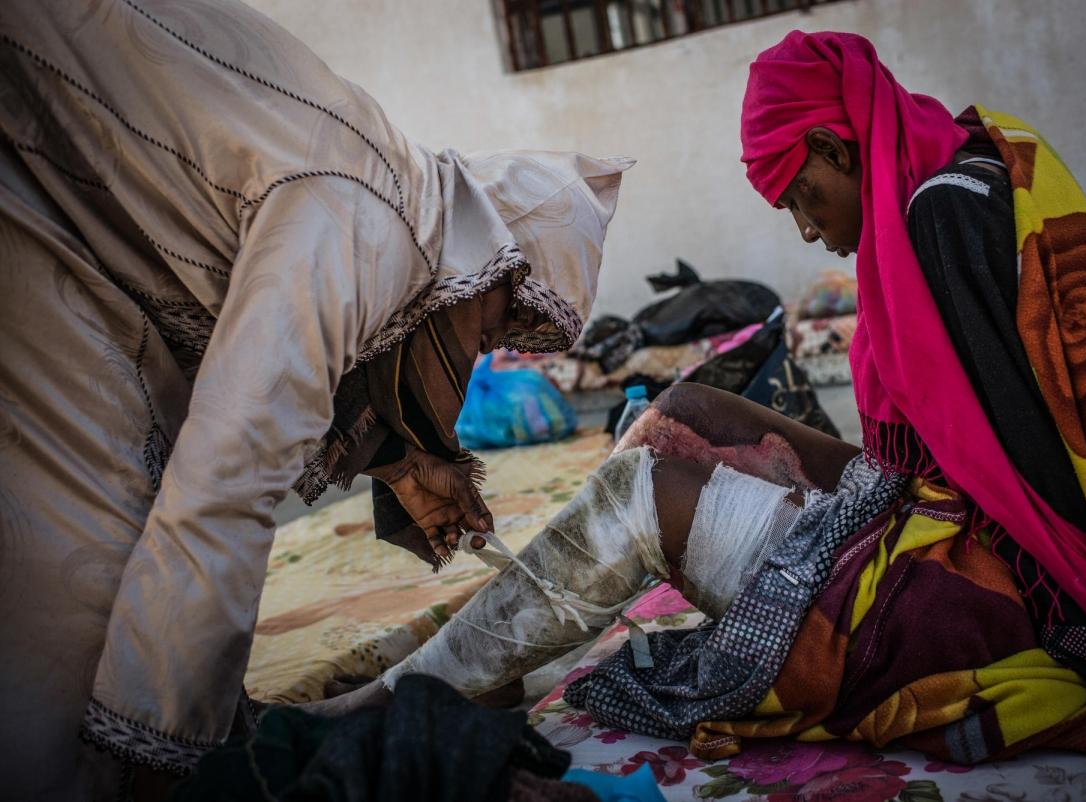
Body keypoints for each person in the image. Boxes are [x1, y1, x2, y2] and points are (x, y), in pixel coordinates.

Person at [315, 30, 1086, 769]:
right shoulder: (967, 161)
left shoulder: (941, 216)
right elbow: (978, 439)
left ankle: (413, 686)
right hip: (965, 515)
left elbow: (1030, 473)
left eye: (803, 199)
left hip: (1010, 585)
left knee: (639, 495)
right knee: (688, 409)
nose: (809, 228)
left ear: (835, 146)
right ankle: (487, 640)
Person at [0, 0, 631, 797]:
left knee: (118, 549)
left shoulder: (397, 219)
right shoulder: (367, 221)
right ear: (491, 267)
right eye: (494, 330)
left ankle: (176, 736)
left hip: (60, 211)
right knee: (84, 610)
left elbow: (309, 377)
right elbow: (229, 477)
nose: (478, 360)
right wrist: (169, 756)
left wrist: (405, 464)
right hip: (36, 191)